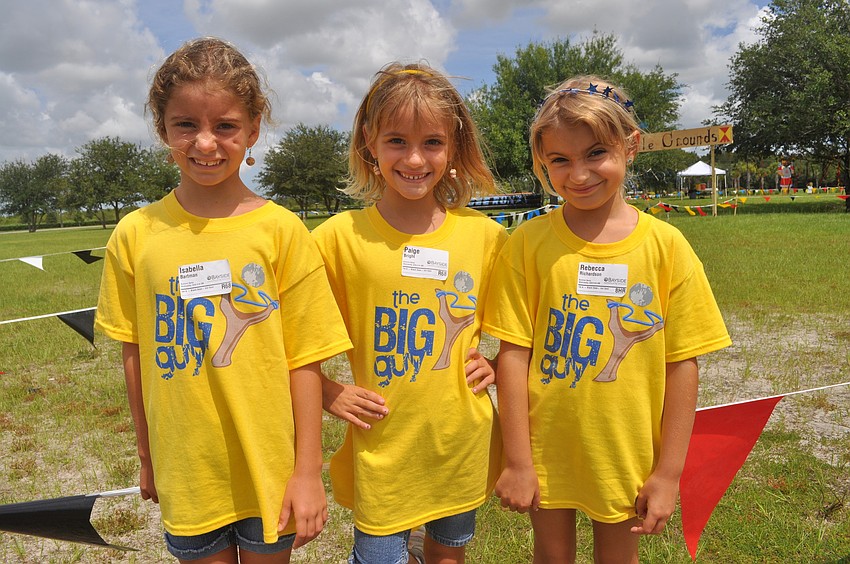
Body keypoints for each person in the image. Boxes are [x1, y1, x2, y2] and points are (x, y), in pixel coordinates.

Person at [95, 37, 352, 564]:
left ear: (253, 129)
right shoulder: (135, 235)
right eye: (186, 124)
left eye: (226, 126)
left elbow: (305, 360)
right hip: (187, 470)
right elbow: (134, 354)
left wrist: (307, 472)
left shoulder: (282, 232)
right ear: (163, 129)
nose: (206, 143)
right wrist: (147, 456)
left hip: (269, 466)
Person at [483, 75, 731, 563]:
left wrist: (668, 474)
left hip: (625, 449)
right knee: (552, 555)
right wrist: (518, 461)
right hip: (545, 446)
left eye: (596, 153)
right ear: (542, 162)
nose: (578, 174)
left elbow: (682, 364)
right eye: (560, 160)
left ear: (630, 146)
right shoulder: (526, 244)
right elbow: (513, 355)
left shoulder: (667, 248)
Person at [312, 62, 508, 564]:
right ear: (369, 143)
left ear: (454, 147)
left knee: (448, 554)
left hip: (461, 443)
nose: (415, 159)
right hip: (382, 446)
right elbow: (288, 337)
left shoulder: (486, 237)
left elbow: (523, 328)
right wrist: (329, 392)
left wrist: (499, 365)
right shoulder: (336, 239)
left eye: (433, 143)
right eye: (397, 141)